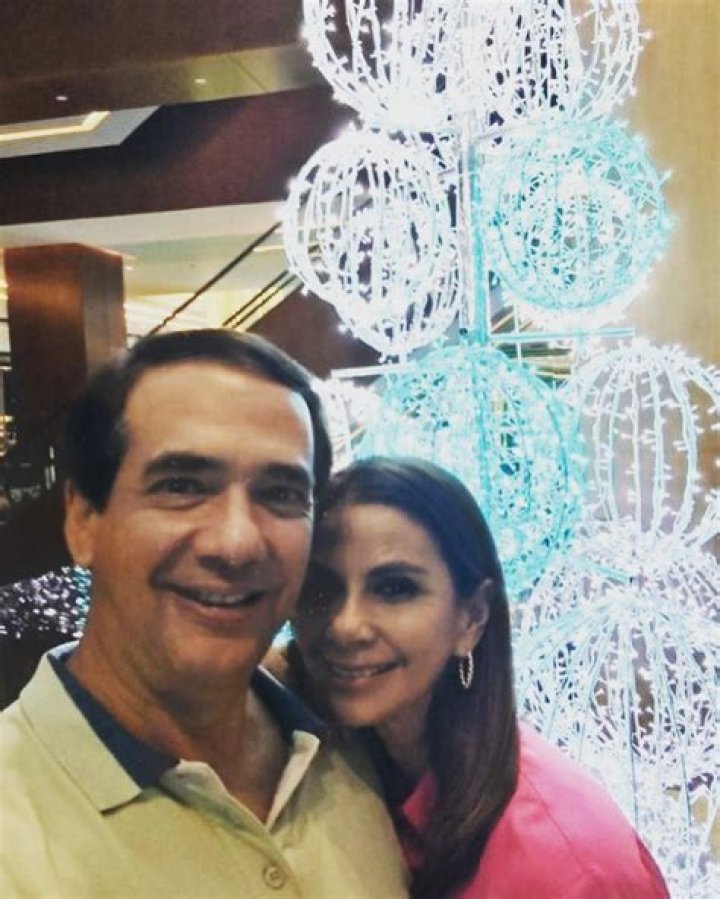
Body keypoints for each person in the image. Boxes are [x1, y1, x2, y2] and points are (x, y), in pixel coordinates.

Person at [0, 331, 408, 898]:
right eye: (181, 486)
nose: (236, 543)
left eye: (281, 494)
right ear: (83, 520)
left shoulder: (350, 745)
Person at [291, 456, 670, 899]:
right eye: (320, 588)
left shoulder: (572, 869)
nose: (346, 626)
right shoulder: (333, 766)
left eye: (394, 589)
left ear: (472, 616)